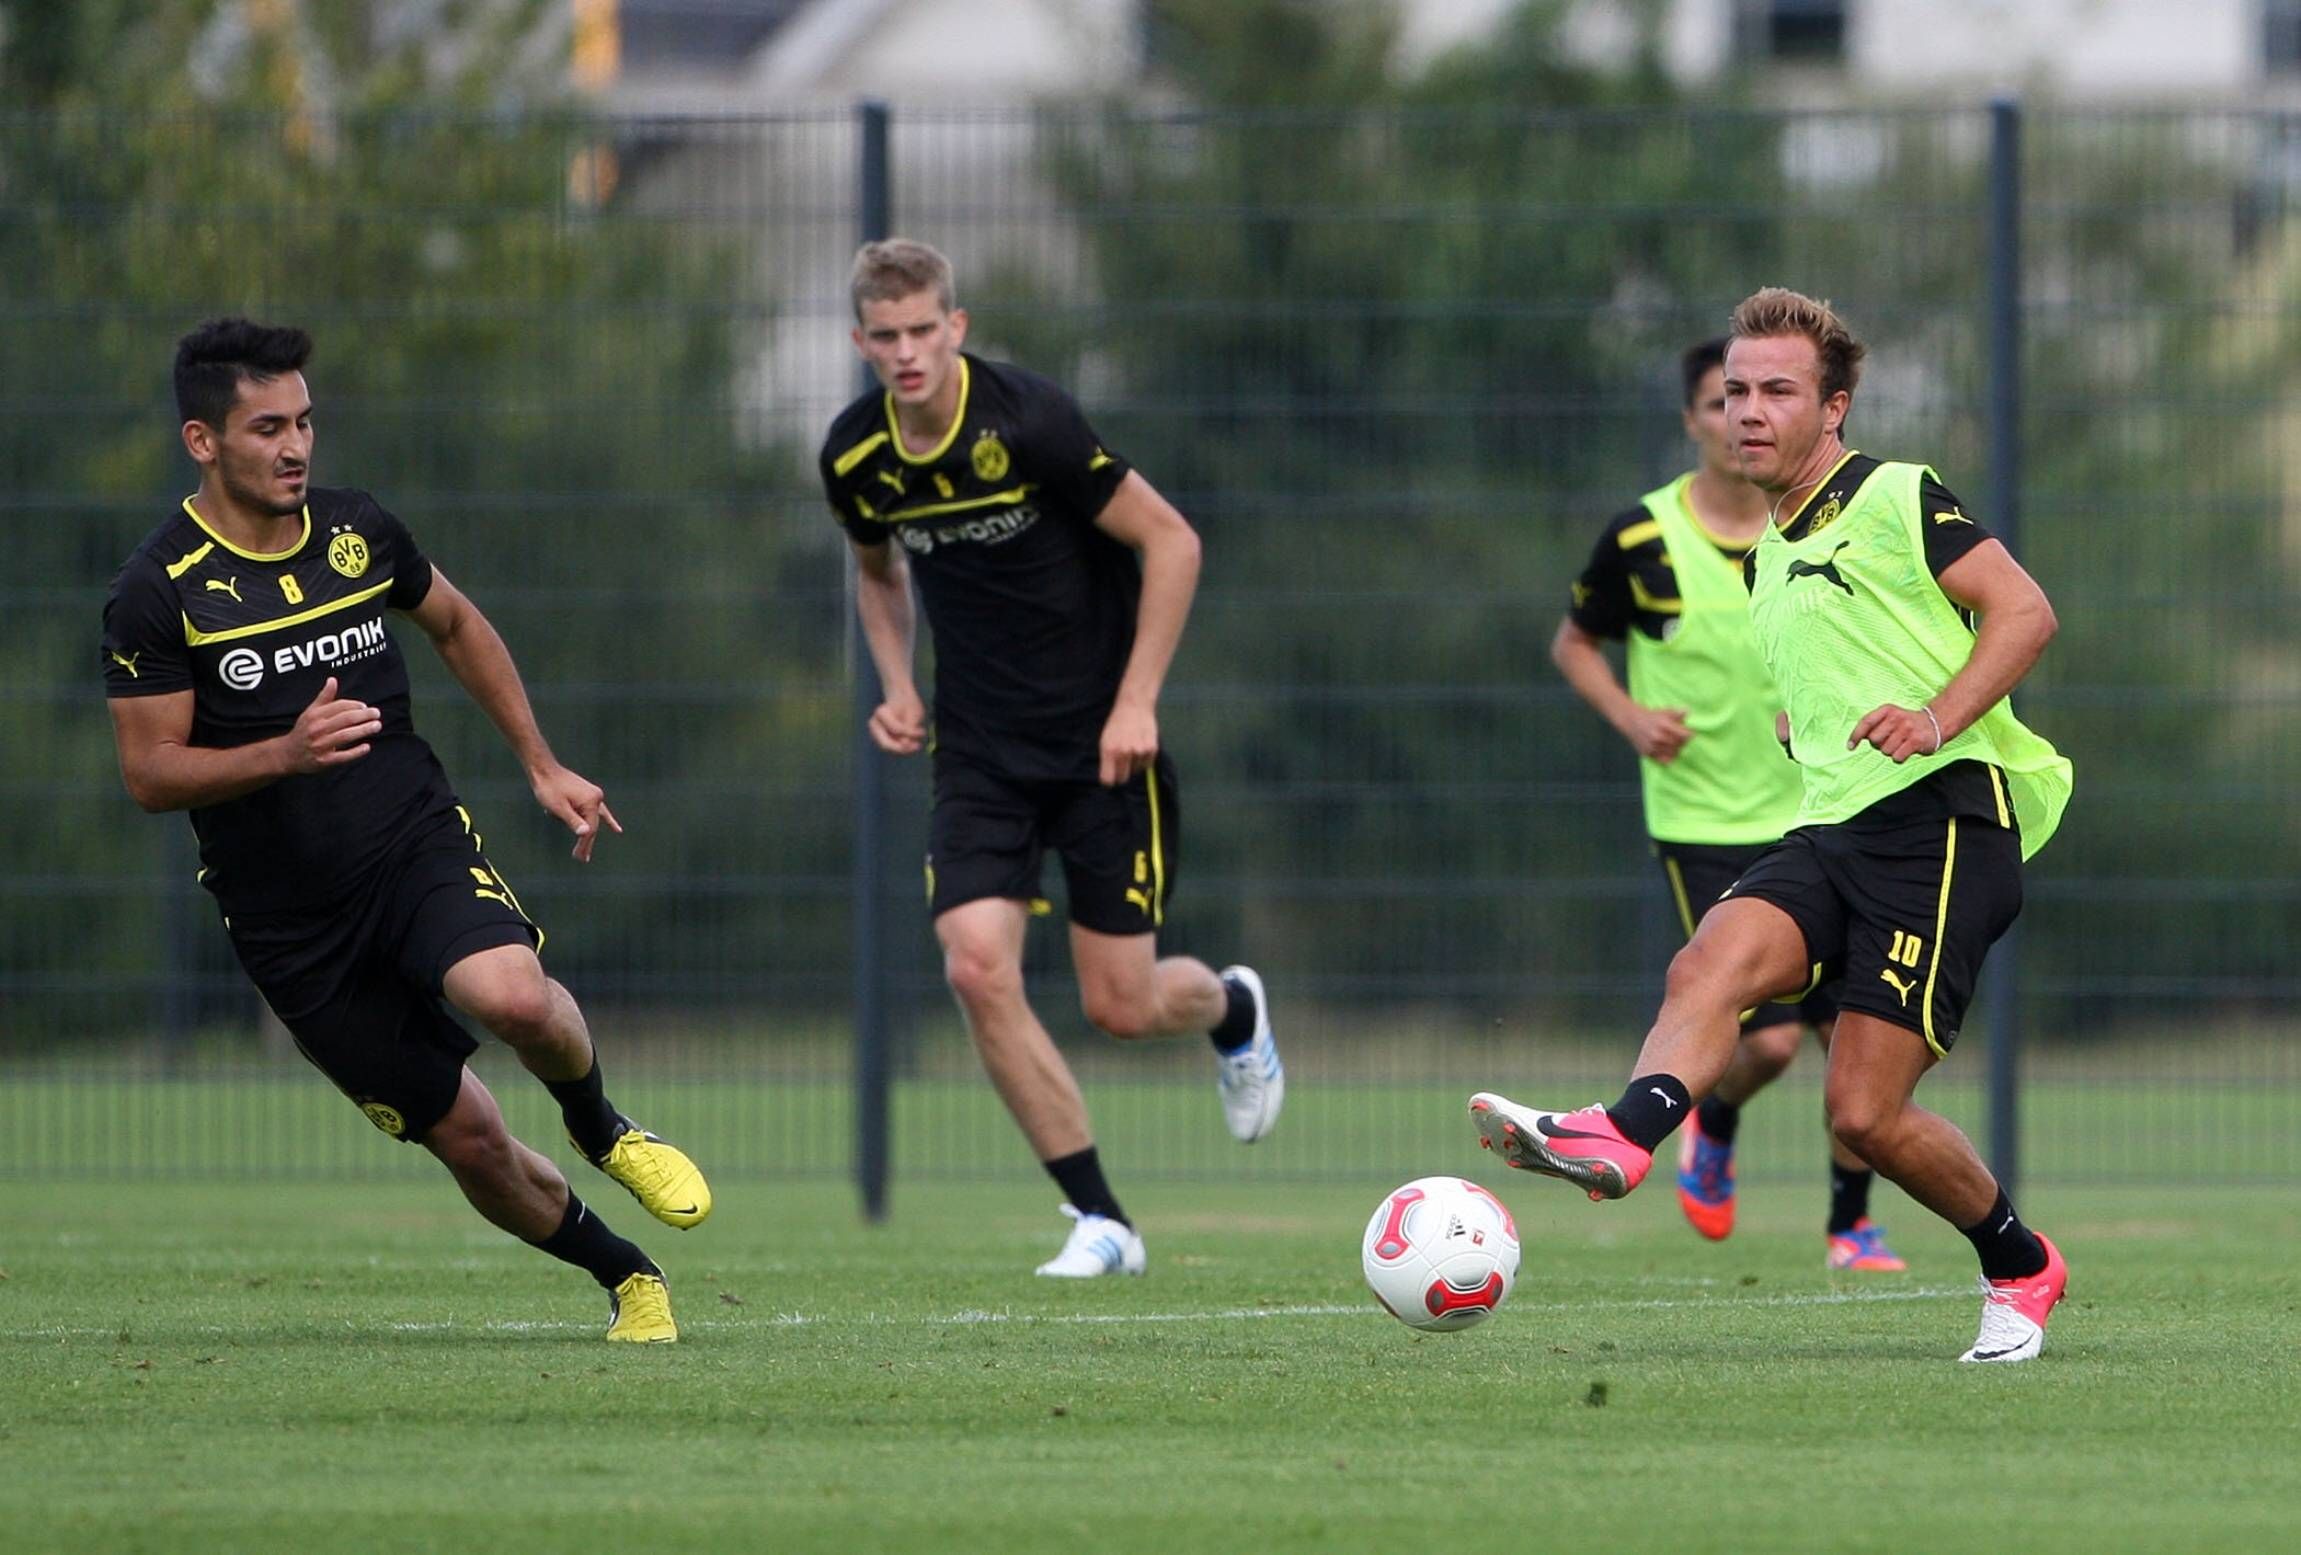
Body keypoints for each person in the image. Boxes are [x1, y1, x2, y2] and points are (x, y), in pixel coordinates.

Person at [1474, 288, 2075, 1362]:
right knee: (1709, 961)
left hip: (1943, 829)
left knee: (1864, 1117)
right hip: (1837, 827)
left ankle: (2021, 1264)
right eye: (1735, 392)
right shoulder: (1771, 554)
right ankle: (1623, 1132)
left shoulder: (1898, 495)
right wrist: (1817, 726)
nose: (1749, 410)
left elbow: (2025, 609)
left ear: (1834, 407)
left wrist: (1936, 716)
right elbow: (1847, 657)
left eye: (1778, 392)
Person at [102, 319, 710, 1343]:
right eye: (265, 428)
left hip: (410, 844)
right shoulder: (157, 591)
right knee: (471, 1137)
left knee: (510, 994)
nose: (296, 447)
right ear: (203, 442)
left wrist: (541, 762)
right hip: (290, 924)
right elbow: (151, 773)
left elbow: (459, 626)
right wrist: (282, 755)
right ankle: (628, 1275)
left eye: (304, 422)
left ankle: (602, 1124)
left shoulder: (359, 530)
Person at [820, 239, 1282, 1278]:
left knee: (1122, 1008)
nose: (906, 353)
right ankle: (1101, 1220)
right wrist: (897, 682)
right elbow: (877, 574)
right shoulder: (856, 457)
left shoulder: (1029, 421)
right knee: (975, 966)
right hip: (980, 752)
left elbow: (1174, 542)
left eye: (922, 331)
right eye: (884, 337)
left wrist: (1136, 704)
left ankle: (1234, 1008)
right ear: (860, 342)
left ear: (956, 328)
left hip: (1100, 747)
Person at [1552, 337, 1903, 1271]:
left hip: (1823, 810)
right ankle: (1704, 1113)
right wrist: (1629, 715)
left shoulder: (1825, 532)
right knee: (1773, 1040)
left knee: (1854, 1035)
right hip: (1703, 821)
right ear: (1691, 419)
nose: (1739, 416)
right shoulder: (1640, 538)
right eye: (1719, 400)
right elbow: (1575, 642)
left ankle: (1849, 1225)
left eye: (1759, 395)